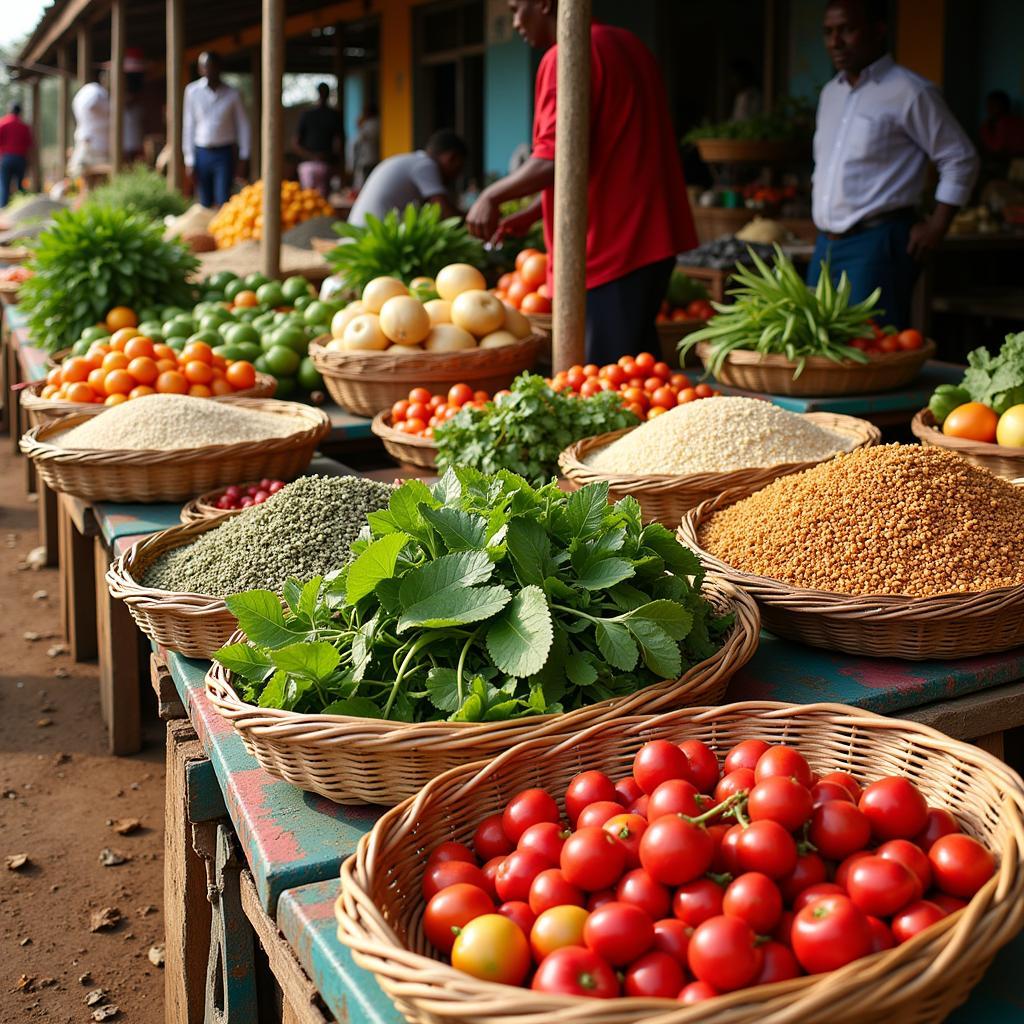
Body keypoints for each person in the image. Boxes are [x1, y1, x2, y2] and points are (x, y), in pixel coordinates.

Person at [466, 0, 697, 364]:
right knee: (638, 375)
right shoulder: (630, 45)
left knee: (604, 386)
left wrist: (491, 196)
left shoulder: (565, 56)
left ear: (544, 4)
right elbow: (603, 156)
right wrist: (531, 213)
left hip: (612, 249)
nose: (514, 23)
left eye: (516, 9)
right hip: (652, 242)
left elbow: (554, 157)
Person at [808, 0, 978, 328]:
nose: (835, 42)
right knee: (816, 348)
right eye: (828, 32)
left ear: (878, 30)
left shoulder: (910, 92)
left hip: (877, 243)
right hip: (825, 245)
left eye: (847, 30)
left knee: (870, 350)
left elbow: (960, 156)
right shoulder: (831, 93)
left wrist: (938, 225)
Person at [347, 129, 466, 227]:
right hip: (370, 237)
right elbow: (445, 213)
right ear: (451, 158)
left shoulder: (414, 161)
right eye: (458, 168)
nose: (457, 175)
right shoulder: (426, 165)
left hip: (359, 232)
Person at [183, 52, 251, 208]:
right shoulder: (192, 92)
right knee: (204, 200)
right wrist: (189, 159)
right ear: (200, 69)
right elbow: (189, 125)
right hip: (202, 152)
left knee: (223, 199)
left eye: (212, 67)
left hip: (224, 153)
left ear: (220, 68)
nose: (209, 71)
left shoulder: (232, 94)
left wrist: (244, 156)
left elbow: (243, 125)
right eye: (205, 67)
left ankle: (222, 231)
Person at [294, 83, 344, 198]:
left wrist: (312, 156)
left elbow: (296, 143)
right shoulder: (333, 115)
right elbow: (340, 143)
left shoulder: (308, 115)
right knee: (318, 200)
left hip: (315, 164)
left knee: (309, 200)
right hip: (322, 163)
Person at [69, 71, 110, 190]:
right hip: (93, 142)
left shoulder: (85, 91)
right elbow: (90, 105)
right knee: (94, 176)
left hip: (88, 139)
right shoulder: (95, 91)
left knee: (89, 181)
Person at [0, 103, 33, 208]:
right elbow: (29, 144)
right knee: (20, 185)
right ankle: (21, 208)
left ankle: (4, 209)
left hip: (6, 158)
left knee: (4, 185)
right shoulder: (24, 126)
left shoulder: (3, 123)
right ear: (20, 112)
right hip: (20, 158)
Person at [980, 90, 1024, 159]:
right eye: (988, 105)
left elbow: (998, 149)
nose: (989, 109)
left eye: (993, 106)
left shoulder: (1006, 123)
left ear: (1004, 106)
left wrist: (986, 129)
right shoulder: (992, 123)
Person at [350, 104, 380, 189]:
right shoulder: (372, 123)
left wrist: (360, 125)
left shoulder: (372, 124)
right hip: (370, 157)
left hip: (369, 158)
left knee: (367, 182)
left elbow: (360, 138)